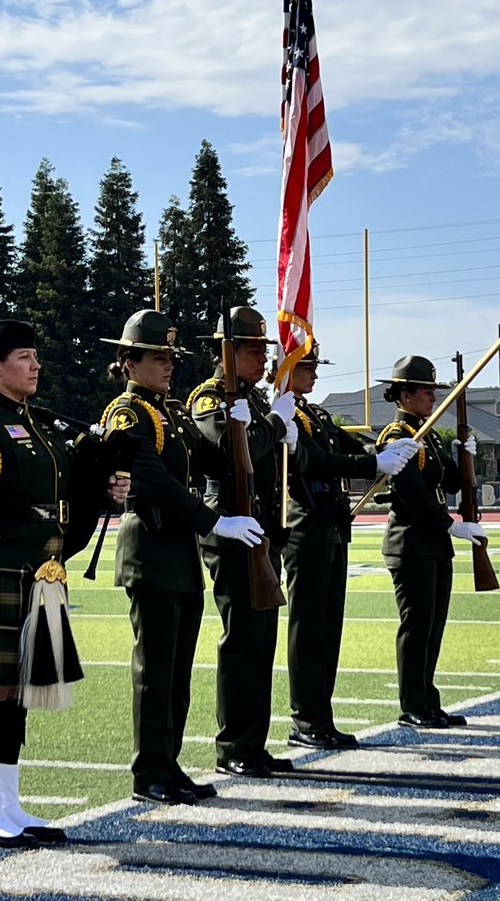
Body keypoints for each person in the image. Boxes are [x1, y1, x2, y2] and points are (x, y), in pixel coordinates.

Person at [0, 319, 130, 846]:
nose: (36, 365)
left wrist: (102, 489)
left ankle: (9, 806)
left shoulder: (31, 422)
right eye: (25, 356)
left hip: (40, 572)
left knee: (17, 692)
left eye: (36, 356)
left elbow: (59, 497)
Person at [101, 310, 264, 805]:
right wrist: (214, 523)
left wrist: (246, 425)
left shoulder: (167, 413)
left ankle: (167, 764)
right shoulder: (128, 415)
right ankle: (148, 771)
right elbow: (153, 480)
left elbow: (214, 460)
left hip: (179, 554)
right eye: (157, 357)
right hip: (150, 550)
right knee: (154, 672)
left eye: (171, 357)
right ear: (129, 363)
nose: (169, 365)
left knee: (176, 672)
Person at [280, 343, 418, 748]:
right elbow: (313, 459)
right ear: (288, 369)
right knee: (308, 629)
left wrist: (381, 451)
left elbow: (345, 445)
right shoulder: (285, 415)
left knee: (327, 628)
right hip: (305, 523)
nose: (315, 374)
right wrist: (371, 464)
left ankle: (320, 716)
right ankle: (305, 719)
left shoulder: (313, 413)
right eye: (307, 367)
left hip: (331, 524)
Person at [188, 307, 296, 778]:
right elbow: (233, 455)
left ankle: (253, 742)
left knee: (260, 643)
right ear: (226, 354)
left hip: (260, 530)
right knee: (242, 642)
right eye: (253, 351)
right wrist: (272, 425)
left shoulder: (248, 400)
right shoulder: (210, 399)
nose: (261, 360)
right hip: (230, 530)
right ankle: (234, 744)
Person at [377, 355, 486, 730]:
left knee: (433, 627)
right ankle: (413, 704)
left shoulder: (428, 436)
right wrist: (449, 525)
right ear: (403, 395)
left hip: (434, 544)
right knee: (417, 626)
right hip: (411, 543)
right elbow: (409, 492)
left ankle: (428, 700)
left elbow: (451, 483)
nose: (431, 398)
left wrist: (464, 454)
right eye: (425, 392)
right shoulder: (398, 438)